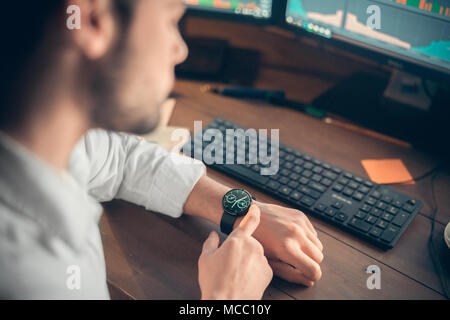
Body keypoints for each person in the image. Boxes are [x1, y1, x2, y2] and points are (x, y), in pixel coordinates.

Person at [0, 0, 323, 299]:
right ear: (92, 19)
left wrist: (242, 212)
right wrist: (226, 298)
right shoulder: (32, 278)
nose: (180, 50)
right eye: (171, 20)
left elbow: (120, 157)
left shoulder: (45, 140)